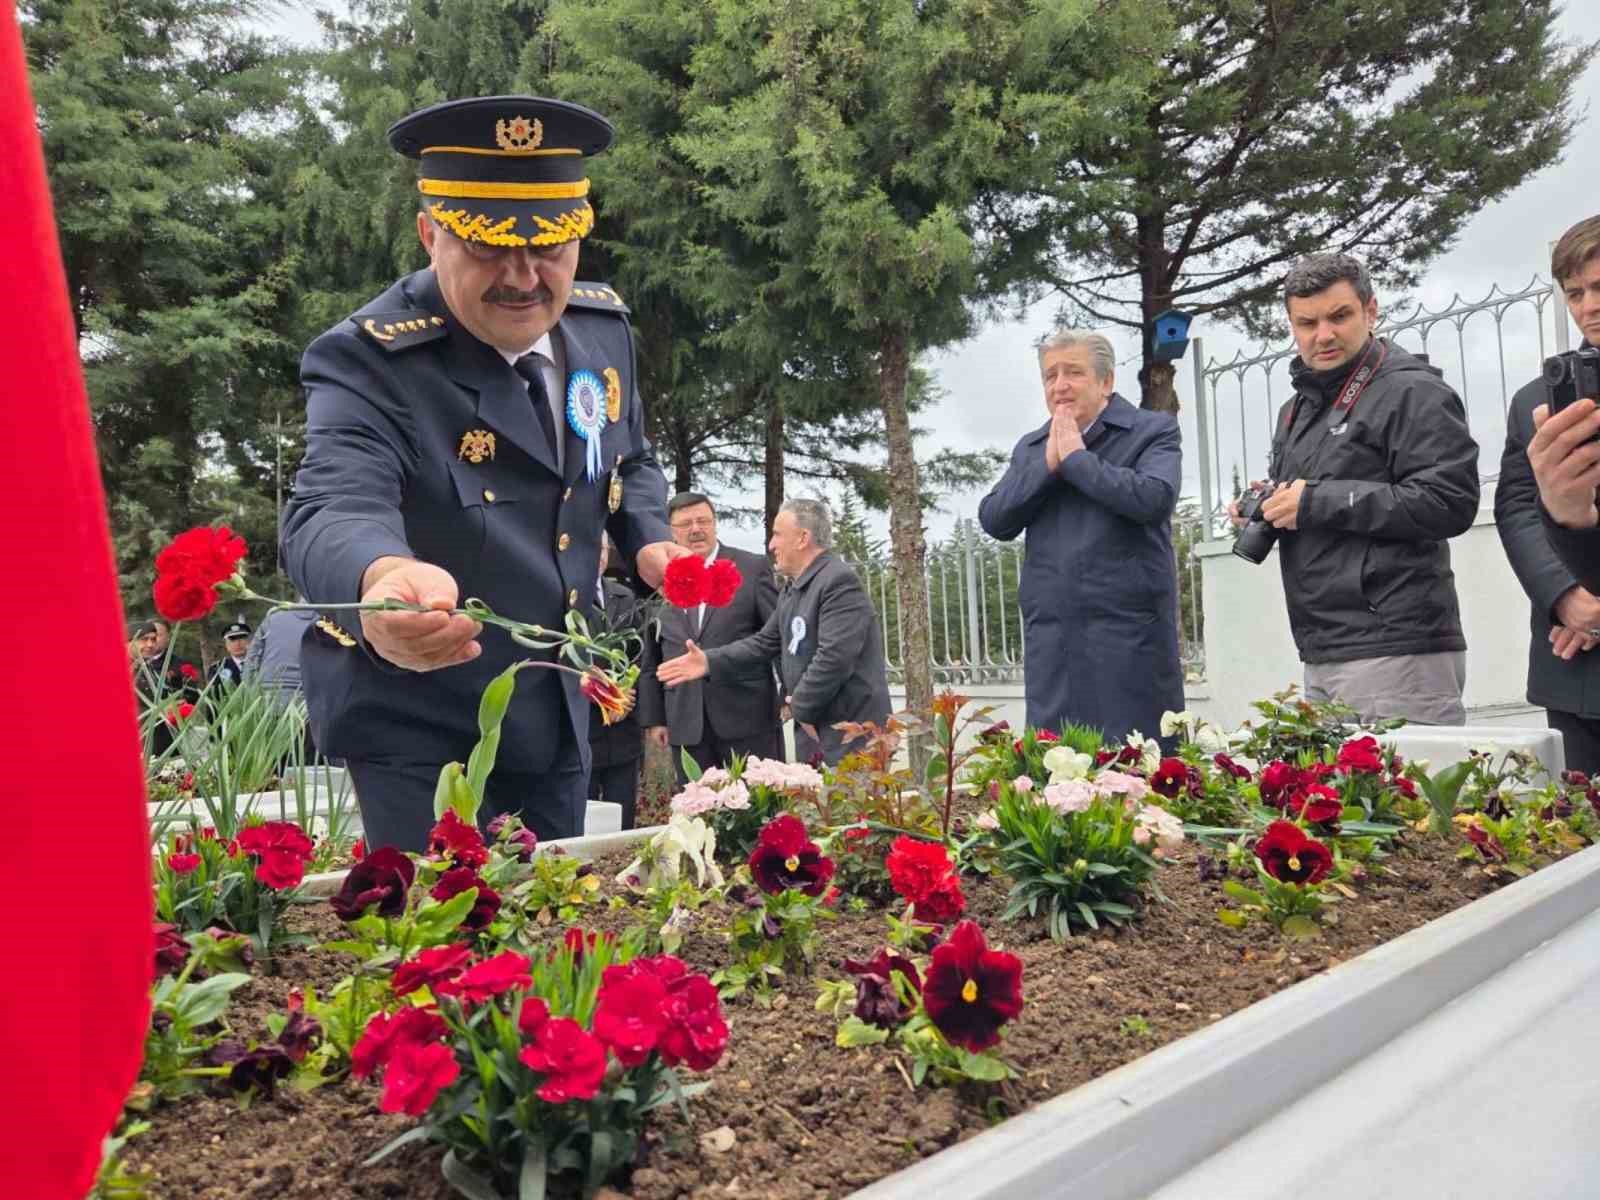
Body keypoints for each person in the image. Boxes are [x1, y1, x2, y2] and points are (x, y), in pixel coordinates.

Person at [280, 96, 681, 852]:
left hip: (555, 706)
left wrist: (650, 536)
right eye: (491, 246)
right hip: (422, 713)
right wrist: (383, 575)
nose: (524, 277)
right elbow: (330, 504)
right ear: (431, 233)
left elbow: (629, 456)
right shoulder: (370, 358)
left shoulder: (599, 332)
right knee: (442, 945)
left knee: (548, 938)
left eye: (551, 247)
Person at [1227, 252, 1479, 725]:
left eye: (1339, 316)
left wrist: (1317, 501)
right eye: (1307, 323)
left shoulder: (1412, 390)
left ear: (1371, 310)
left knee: (1403, 799)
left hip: (1398, 646)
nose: (1323, 335)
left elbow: (1450, 501)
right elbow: (1309, 497)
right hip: (1322, 645)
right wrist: (1266, 506)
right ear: (1292, 325)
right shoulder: (1297, 407)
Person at [978, 329, 1184, 743]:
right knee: (1057, 775)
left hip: (1129, 640)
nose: (1060, 385)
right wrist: (1047, 465)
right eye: (1050, 375)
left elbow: (1153, 498)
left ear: (1106, 382)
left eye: (1074, 372)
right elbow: (995, 519)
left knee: (1137, 774)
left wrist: (1076, 459)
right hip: (1054, 643)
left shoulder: (1151, 431)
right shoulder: (1034, 447)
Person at [656, 498, 890, 766]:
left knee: (857, 808)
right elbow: (765, 643)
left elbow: (834, 658)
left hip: (851, 733)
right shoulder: (795, 588)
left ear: (803, 538)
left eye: (777, 535)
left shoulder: (837, 582)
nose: (771, 545)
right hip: (817, 729)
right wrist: (708, 661)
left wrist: (799, 707)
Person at [1496, 217, 1600, 773]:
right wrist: (1567, 597)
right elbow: (1515, 508)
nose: (1588, 306)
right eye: (1576, 292)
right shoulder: (1537, 401)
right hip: (1573, 656)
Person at [637, 492, 782, 782]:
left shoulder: (752, 568)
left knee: (759, 809)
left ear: (715, 524)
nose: (695, 529)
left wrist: (791, 693)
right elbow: (651, 654)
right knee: (699, 815)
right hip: (686, 723)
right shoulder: (659, 578)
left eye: (703, 520)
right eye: (685, 523)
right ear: (671, 532)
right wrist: (655, 719)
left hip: (747, 717)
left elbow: (775, 635)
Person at [587, 538, 645, 828]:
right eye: (591, 548)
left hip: (623, 731)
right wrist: (602, 694)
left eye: (602, 550)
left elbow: (639, 655)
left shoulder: (624, 596)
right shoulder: (562, 598)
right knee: (580, 819)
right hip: (583, 731)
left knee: (623, 817)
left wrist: (627, 691)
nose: (597, 556)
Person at [211, 618, 251, 688]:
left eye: (241, 638)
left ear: (248, 642)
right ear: (226, 645)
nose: (238, 643)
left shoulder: (261, 664)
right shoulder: (218, 669)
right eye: (232, 640)